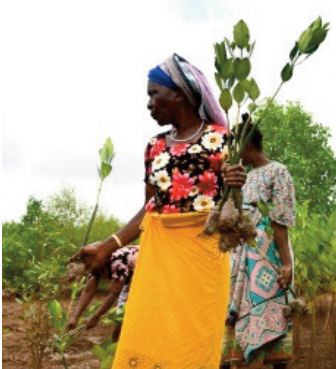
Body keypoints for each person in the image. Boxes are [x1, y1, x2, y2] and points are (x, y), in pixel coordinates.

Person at [71, 53, 246, 368]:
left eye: (154, 94)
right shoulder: (155, 146)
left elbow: (235, 212)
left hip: (204, 255)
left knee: (193, 344)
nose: (149, 103)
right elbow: (148, 209)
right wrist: (107, 246)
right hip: (158, 255)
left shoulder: (223, 139)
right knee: (148, 334)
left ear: (178, 93)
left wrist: (237, 186)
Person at [225, 122, 296, 369]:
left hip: (267, 253)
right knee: (239, 311)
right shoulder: (238, 176)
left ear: (248, 145)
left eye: (235, 147)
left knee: (272, 313)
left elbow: (280, 218)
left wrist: (286, 262)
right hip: (239, 252)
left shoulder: (278, 171)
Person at [67, 245, 139, 341]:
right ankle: (117, 346)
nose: (90, 268)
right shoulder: (95, 263)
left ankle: (119, 346)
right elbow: (88, 290)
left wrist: (96, 316)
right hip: (130, 279)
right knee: (121, 316)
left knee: (124, 317)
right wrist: (75, 317)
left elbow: (114, 293)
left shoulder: (117, 260)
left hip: (147, 274)